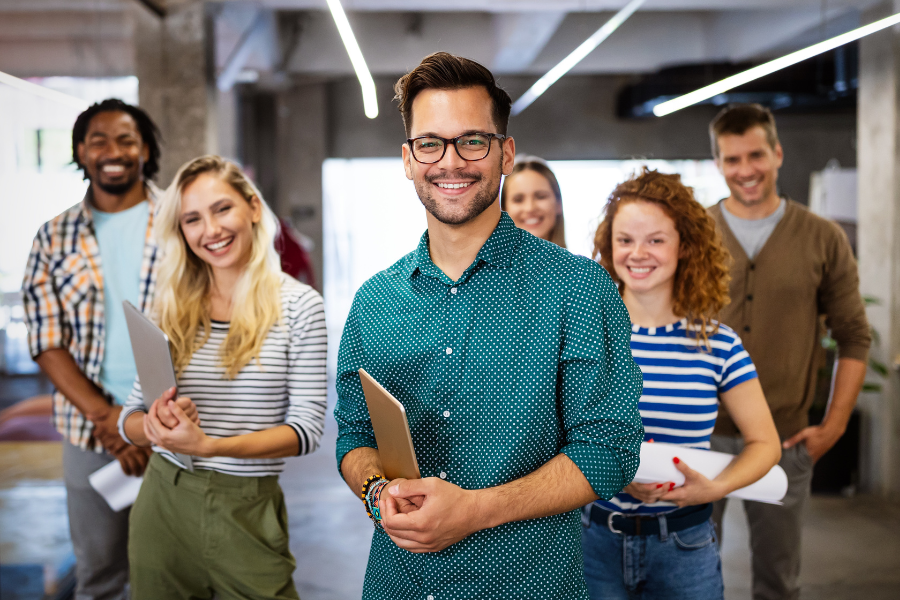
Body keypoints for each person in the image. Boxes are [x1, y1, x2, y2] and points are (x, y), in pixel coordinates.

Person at [333, 52, 644, 600]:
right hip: (399, 584)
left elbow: (609, 452)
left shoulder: (579, 290)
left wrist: (474, 510)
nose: (450, 162)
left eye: (472, 141)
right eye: (430, 143)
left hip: (529, 585)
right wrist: (376, 488)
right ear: (408, 159)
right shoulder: (373, 302)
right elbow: (356, 436)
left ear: (505, 154)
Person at [117, 155, 327, 599]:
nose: (210, 230)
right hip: (164, 501)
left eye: (222, 209)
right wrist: (155, 425)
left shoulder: (300, 306)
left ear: (252, 207)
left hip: (247, 505)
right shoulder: (170, 306)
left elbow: (306, 431)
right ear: (181, 231)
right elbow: (129, 420)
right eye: (192, 219)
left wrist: (210, 446)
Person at [583, 168, 781, 599]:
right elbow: (554, 433)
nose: (638, 253)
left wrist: (717, 487)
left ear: (685, 247)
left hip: (685, 545)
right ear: (608, 246)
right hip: (594, 542)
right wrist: (611, 474)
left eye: (656, 239)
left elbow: (766, 445)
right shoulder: (588, 336)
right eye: (625, 240)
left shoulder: (719, 345)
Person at [707, 104, 870, 600]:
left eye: (756, 155)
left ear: (777, 154)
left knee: (779, 581)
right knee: (691, 577)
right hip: (698, 437)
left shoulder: (823, 237)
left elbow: (853, 335)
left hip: (784, 439)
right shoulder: (694, 232)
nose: (746, 169)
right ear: (718, 163)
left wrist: (834, 425)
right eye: (732, 159)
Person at [21, 98, 162, 600]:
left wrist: (149, 426)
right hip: (90, 433)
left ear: (145, 149)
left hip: (178, 428)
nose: (113, 151)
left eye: (126, 139)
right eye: (98, 140)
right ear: (81, 151)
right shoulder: (53, 238)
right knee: (99, 576)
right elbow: (46, 339)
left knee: (178, 575)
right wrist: (111, 422)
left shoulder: (182, 223)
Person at [500, 157, 567, 247]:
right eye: (518, 200)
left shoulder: (578, 261)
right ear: (504, 208)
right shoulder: (483, 260)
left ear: (558, 204)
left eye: (541, 197)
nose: (529, 208)